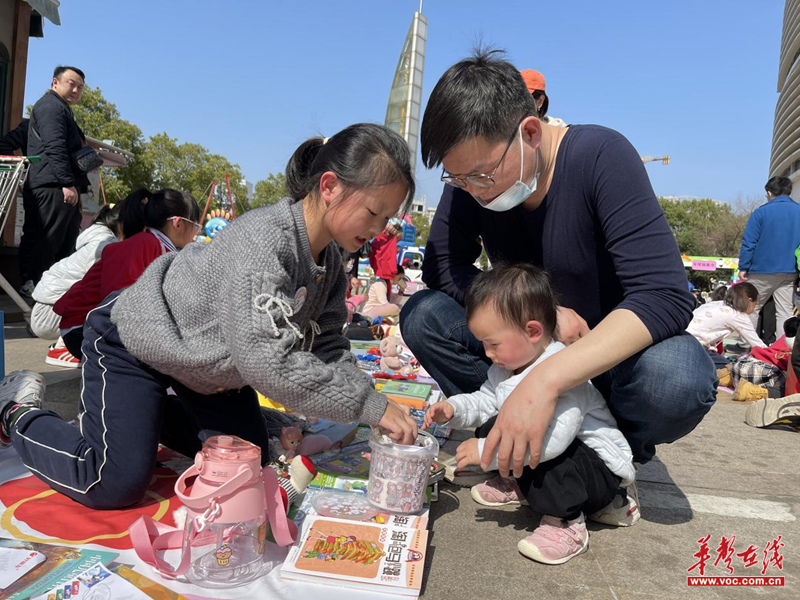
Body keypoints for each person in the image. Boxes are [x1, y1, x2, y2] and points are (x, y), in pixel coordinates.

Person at [0, 123, 418, 509]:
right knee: (113, 481)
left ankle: (144, 416)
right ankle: (17, 412)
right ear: (330, 186)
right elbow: (266, 361)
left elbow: (328, 347)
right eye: (374, 213)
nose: (379, 229)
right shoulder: (265, 239)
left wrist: (368, 398)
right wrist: (370, 405)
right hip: (136, 340)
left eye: (386, 219)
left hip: (206, 371)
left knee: (246, 464)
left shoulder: (329, 265)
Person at [401, 50, 716, 527]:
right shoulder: (473, 179)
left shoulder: (600, 157)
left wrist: (548, 378)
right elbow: (443, 266)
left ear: (529, 132)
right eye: (457, 179)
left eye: (481, 176)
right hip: (516, 353)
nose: (475, 192)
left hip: (602, 361)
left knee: (678, 377)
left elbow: (664, 293)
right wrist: (528, 316)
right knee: (424, 315)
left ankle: (603, 466)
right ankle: (510, 437)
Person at [425, 264, 634, 564]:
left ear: (533, 331)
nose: (487, 353)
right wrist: (454, 409)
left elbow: (554, 442)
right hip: (554, 454)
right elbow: (486, 401)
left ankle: (567, 523)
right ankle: (518, 482)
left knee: (547, 455)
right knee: (497, 423)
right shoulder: (507, 367)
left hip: (596, 474)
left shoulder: (567, 370)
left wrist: (485, 451)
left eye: (492, 343)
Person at [30, 189, 151, 367]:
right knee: (115, 296)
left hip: (50, 307)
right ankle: (63, 347)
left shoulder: (100, 239)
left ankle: (68, 342)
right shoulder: (106, 246)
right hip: (50, 313)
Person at [18, 66, 90, 297]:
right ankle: (36, 291)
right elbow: (55, 146)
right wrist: (67, 183)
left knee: (63, 245)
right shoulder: (50, 106)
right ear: (55, 82)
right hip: (51, 186)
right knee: (46, 242)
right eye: (72, 83)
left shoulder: (61, 108)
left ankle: (48, 295)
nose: (76, 90)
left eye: (80, 86)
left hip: (57, 184)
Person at [738, 176, 800, 338]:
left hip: (761, 270)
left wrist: (744, 266)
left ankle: (747, 346)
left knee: (752, 308)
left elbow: (749, 242)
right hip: (789, 270)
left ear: (769, 193)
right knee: (785, 311)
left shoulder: (760, 213)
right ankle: (783, 350)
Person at [686, 282, 765, 374]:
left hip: (683, 340)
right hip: (693, 347)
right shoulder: (737, 315)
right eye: (755, 305)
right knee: (730, 370)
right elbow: (758, 345)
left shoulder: (718, 304)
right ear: (750, 300)